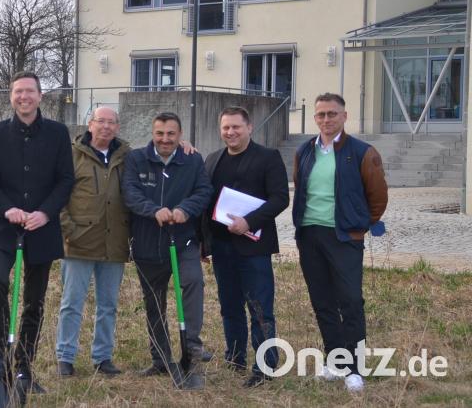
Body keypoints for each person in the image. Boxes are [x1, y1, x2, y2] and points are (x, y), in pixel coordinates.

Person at [0, 71, 74, 393]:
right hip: (5, 226)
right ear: (11, 96)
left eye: (29, 92)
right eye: (18, 92)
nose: (24, 97)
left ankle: (24, 367)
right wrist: (8, 209)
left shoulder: (58, 134)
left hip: (42, 229)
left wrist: (45, 213)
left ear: (40, 95)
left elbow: (65, 180)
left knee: (34, 302)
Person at [292, 93, 388, 393]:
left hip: (344, 236)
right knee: (322, 302)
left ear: (344, 117)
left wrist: (357, 223)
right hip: (310, 235)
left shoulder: (362, 152)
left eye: (332, 114)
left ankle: (355, 369)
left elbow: (378, 198)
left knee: (350, 302)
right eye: (320, 115)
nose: (326, 120)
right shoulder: (304, 151)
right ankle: (335, 360)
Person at [122, 111, 212, 390]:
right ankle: (160, 357)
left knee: (193, 283)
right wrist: (153, 210)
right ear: (153, 133)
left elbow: (204, 191)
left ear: (180, 135)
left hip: (183, 239)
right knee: (154, 302)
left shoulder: (192, 159)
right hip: (148, 243)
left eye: (171, 134)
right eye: (160, 133)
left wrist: (185, 209)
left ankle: (192, 350)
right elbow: (130, 192)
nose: (165, 139)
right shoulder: (136, 159)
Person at [201, 106, 289, 387]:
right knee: (229, 306)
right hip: (222, 247)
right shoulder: (212, 159)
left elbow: (280, 199)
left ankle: (265, 366)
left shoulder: (268, 157)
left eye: (236, 127)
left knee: (260, 308)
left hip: (253, 248)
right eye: (226, 128)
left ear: (249, 127)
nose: (231, 132)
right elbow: (205, 202)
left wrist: (248, 222)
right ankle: (235, 357)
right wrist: (205, 244)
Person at [54, 106, 131, 377]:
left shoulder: (127, 156)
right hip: (79, 243)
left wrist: (184, 144)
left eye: (112, 123)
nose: (106, 127)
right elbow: (58, 197)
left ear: (118, 127)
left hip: (115, 243)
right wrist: (69, 231)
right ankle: (65, 356)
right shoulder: (71, 155)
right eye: (101, 122)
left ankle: (102, 357)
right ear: (90, 125)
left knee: (108, 304)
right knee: (71, 303)